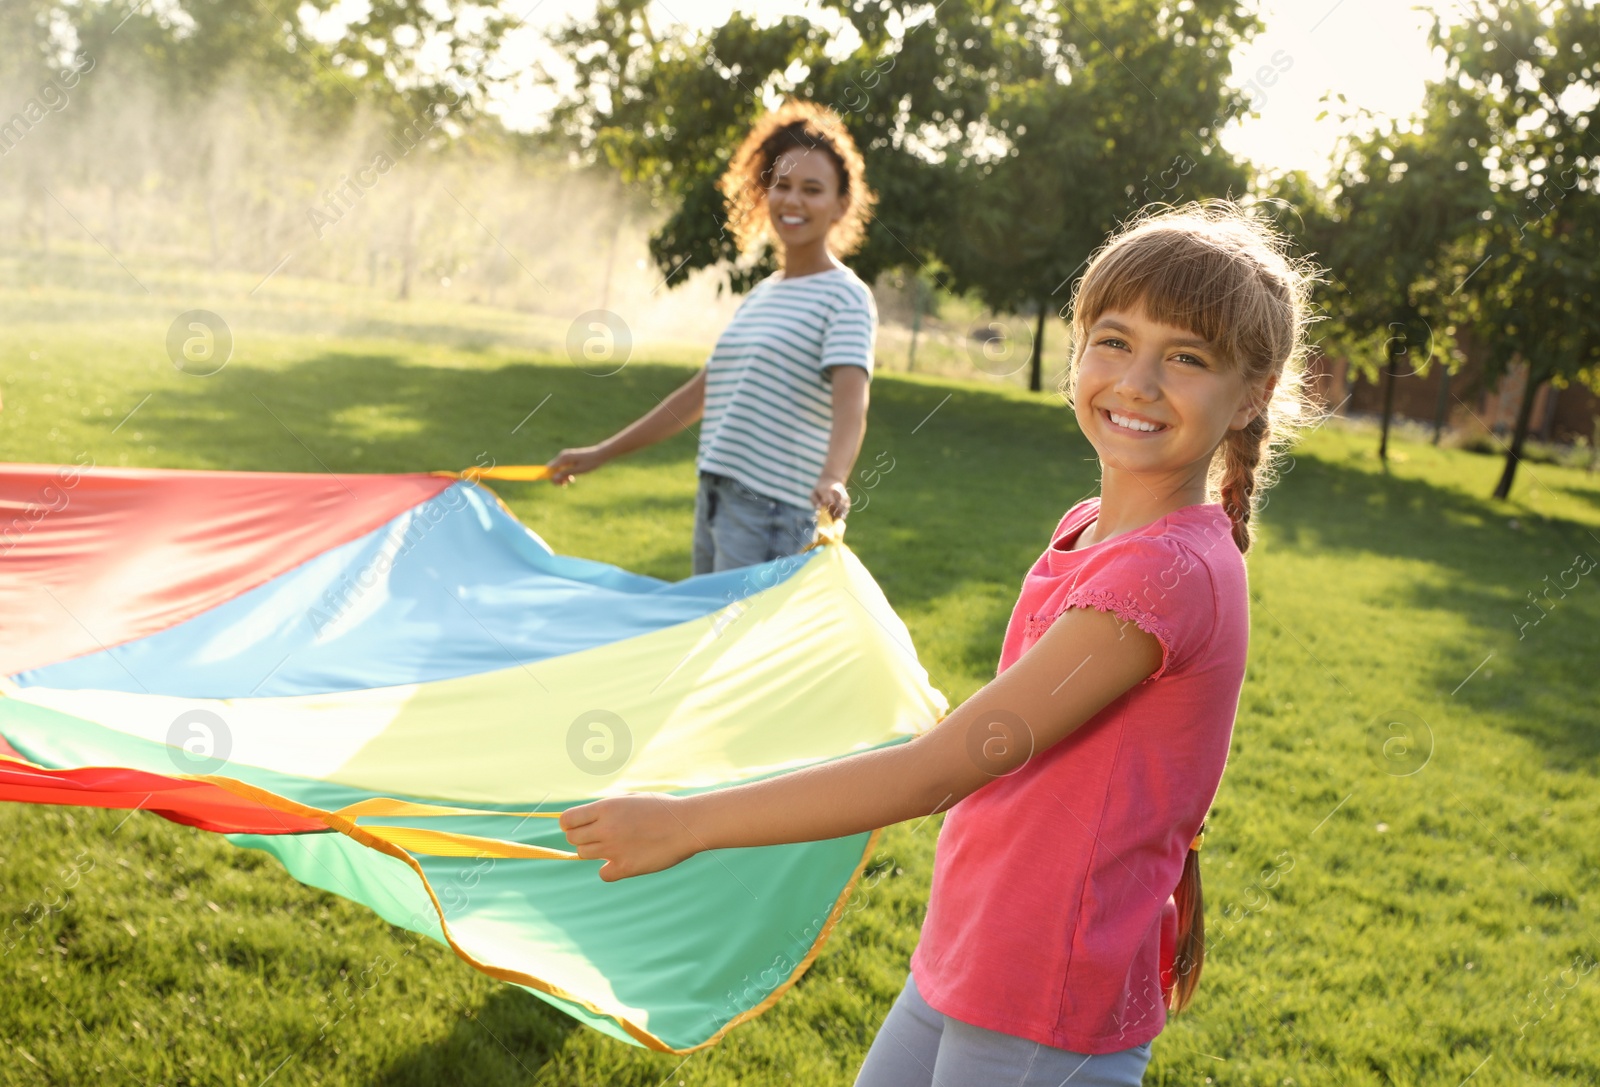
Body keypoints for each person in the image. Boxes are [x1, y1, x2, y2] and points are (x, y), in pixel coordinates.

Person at [558, 201, 1319, 1085]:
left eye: (1185, 357)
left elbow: (938, 771)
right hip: (981, 946)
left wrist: (687, 822)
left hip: (1048, 994)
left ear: (1253, 391)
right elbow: (1025, 735)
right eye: (1113, 340)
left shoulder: (1166, 575)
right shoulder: (1091, 529)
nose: (1138, 380)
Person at [546, 99, 880, 574]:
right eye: (782, 185)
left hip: (773, 511)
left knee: (735, 646)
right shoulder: (764, 294)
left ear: (840, 204)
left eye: (812, 189)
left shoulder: (845, 297)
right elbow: (700, 394)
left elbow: (853, 405)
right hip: (717, 495)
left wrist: (833, 477)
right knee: (710, 638)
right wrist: (600, 454)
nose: (793, 201)